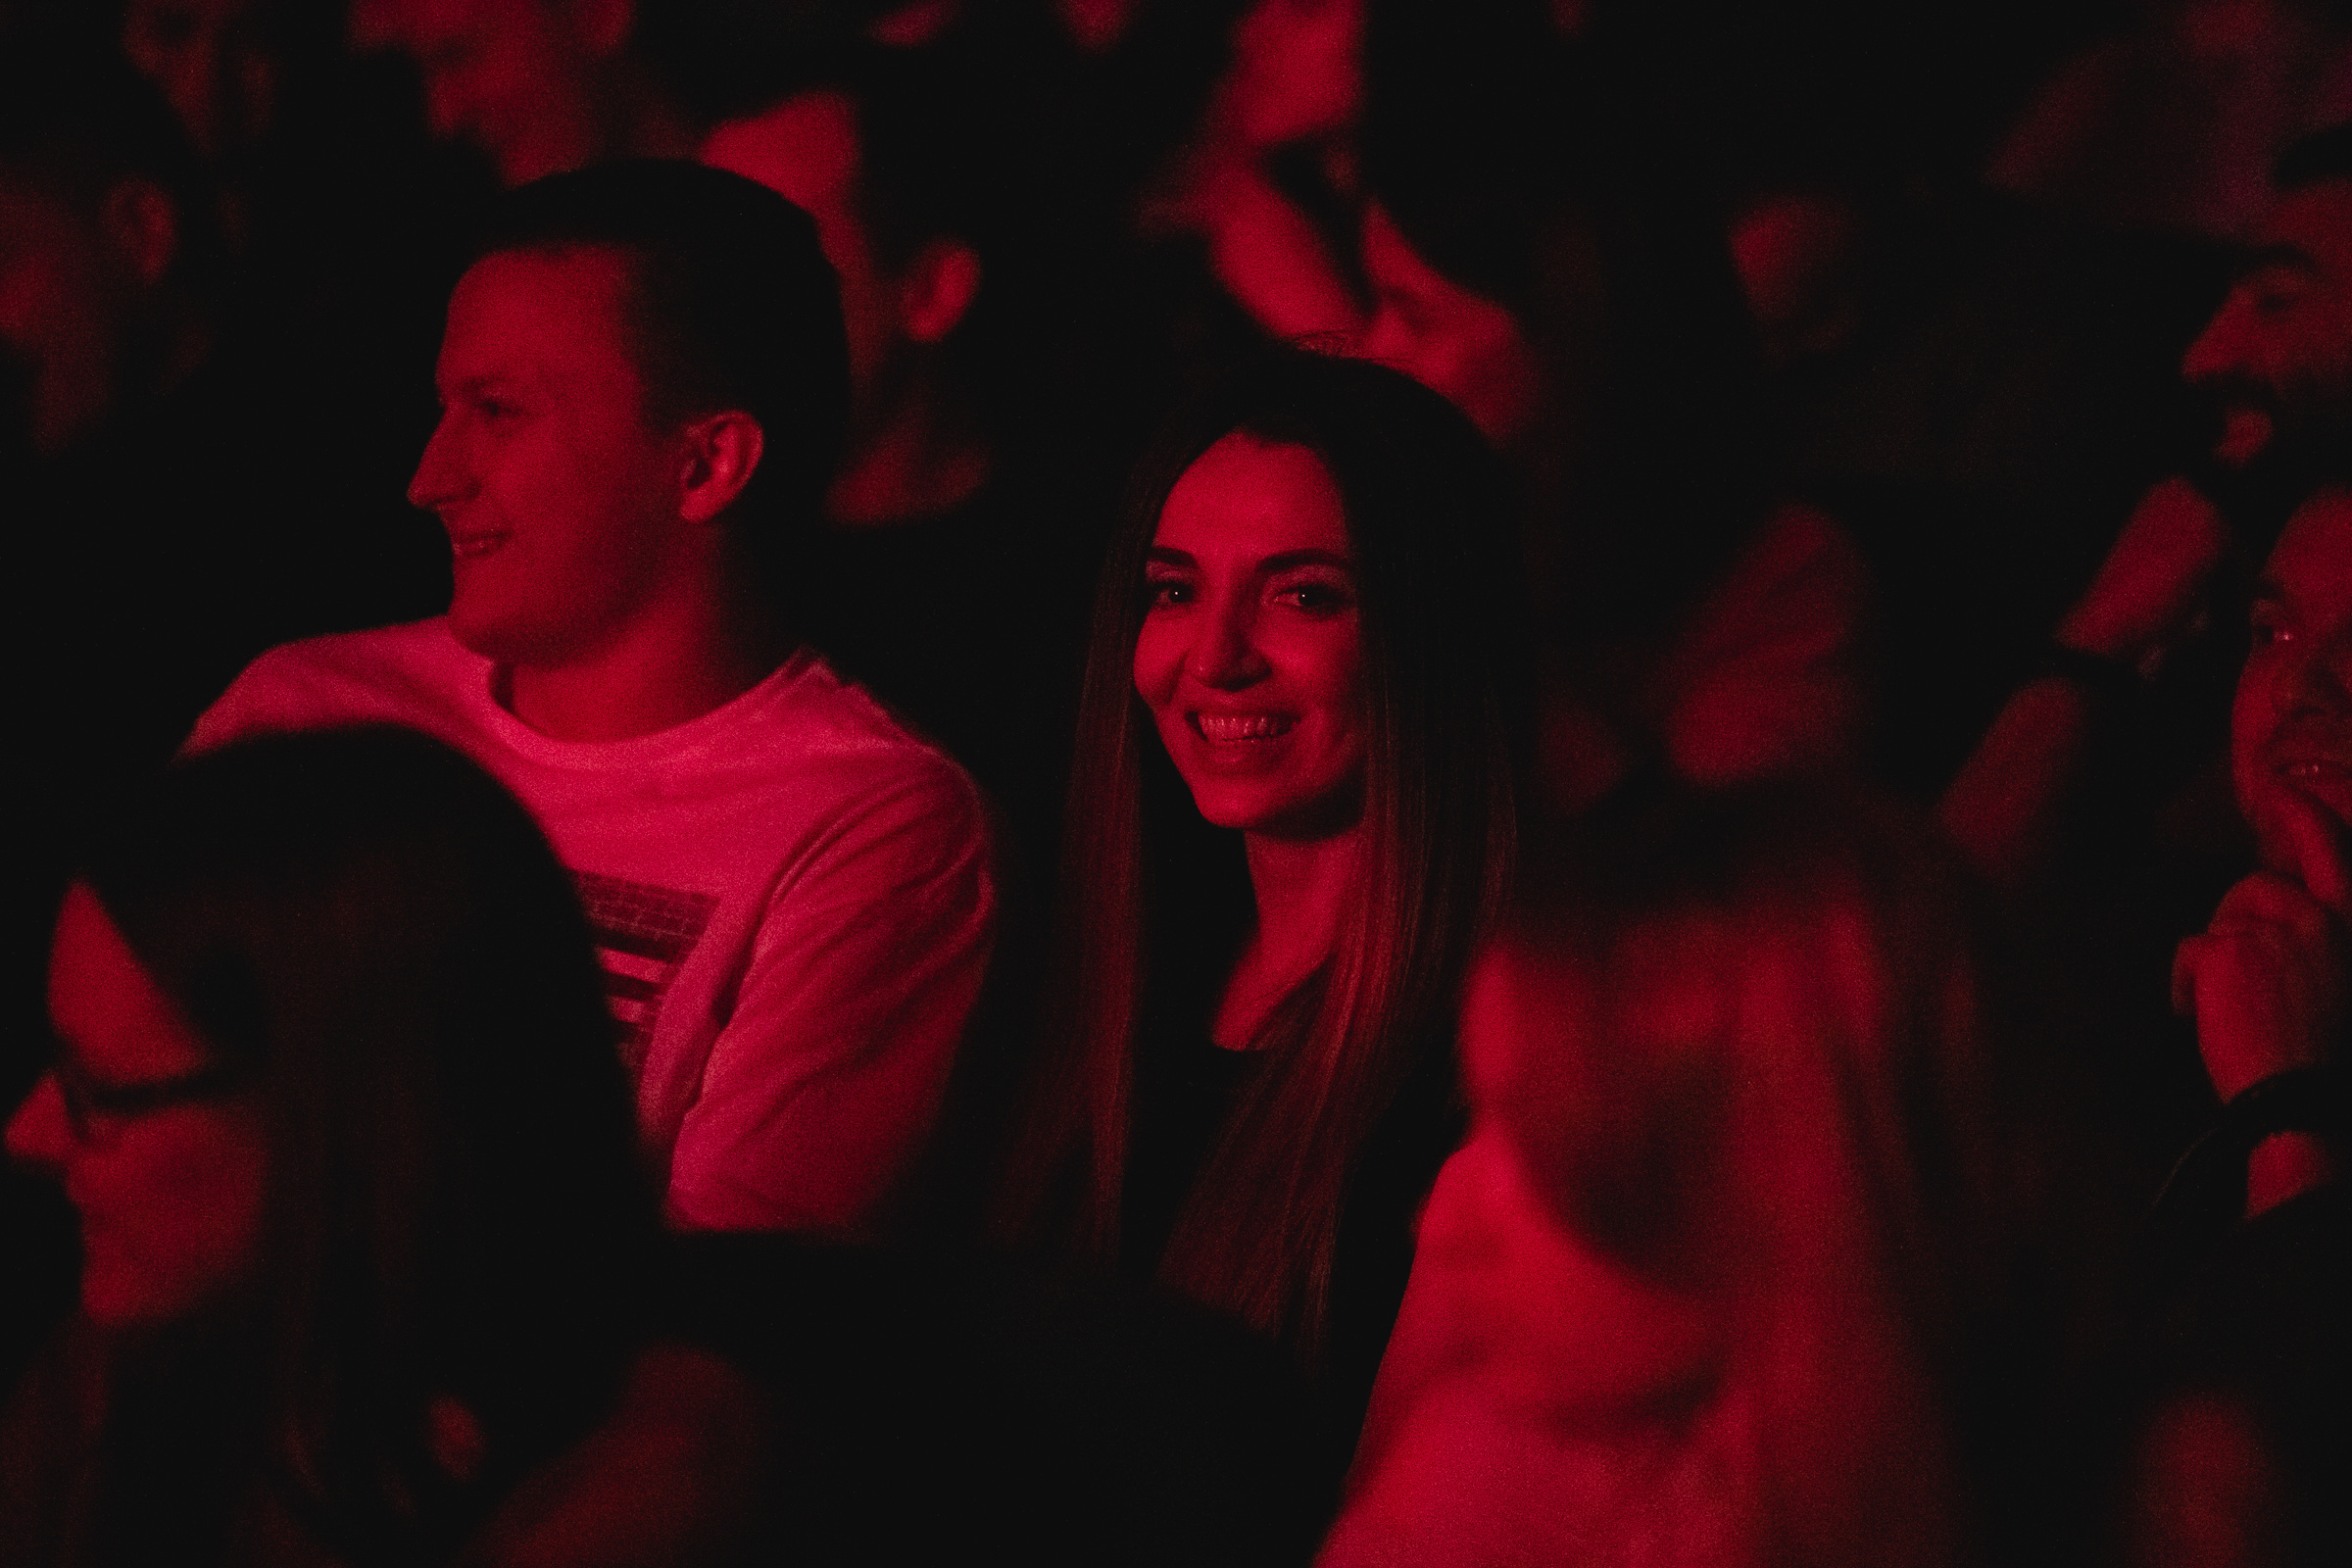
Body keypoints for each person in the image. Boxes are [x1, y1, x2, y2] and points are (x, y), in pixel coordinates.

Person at [189, 160, 996, 1237]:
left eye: (499, 413)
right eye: (446, 409)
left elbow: (732, 1302)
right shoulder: (307, 711)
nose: (431, 476)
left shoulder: (865, 822)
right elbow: (96, 1106)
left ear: (707, 464)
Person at [1, 727, 766, 1565]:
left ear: (345, 1111)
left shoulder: (635, 1498)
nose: (25, 1136)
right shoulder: (127, 1376)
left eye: (96, 1093)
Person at [992, 350, 1526, 1451]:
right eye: (1174, 591)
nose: (1215, 656)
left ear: (1434, 630)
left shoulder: (1508, 1055)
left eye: (1303, 596)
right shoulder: (1133, 968)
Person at [1321, 786, 2011, 1568]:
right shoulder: (1476, 1487)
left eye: (1550, 1142)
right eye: (1484, 1119)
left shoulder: (2120, 1500)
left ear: (1788, 1179)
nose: (1439, 1222)